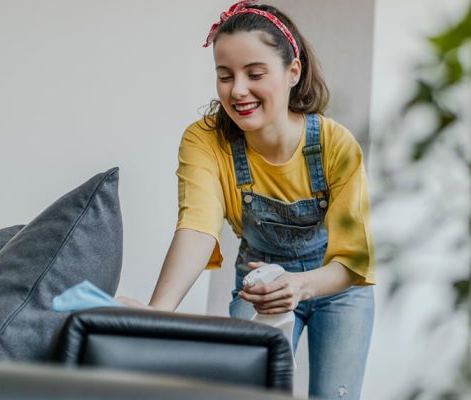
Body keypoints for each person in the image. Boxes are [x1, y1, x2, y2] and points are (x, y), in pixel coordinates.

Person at [117, 1, 375, 399]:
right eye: (225, 76)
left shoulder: (333, 144)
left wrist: (301, 285)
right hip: (259, 285)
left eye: (254, 74)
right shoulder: (205, 141)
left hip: (336, 285)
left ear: (293, 72)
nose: (237, 90)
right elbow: (197, 227)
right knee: (247, 393)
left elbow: (354, 261)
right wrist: (157, 314)